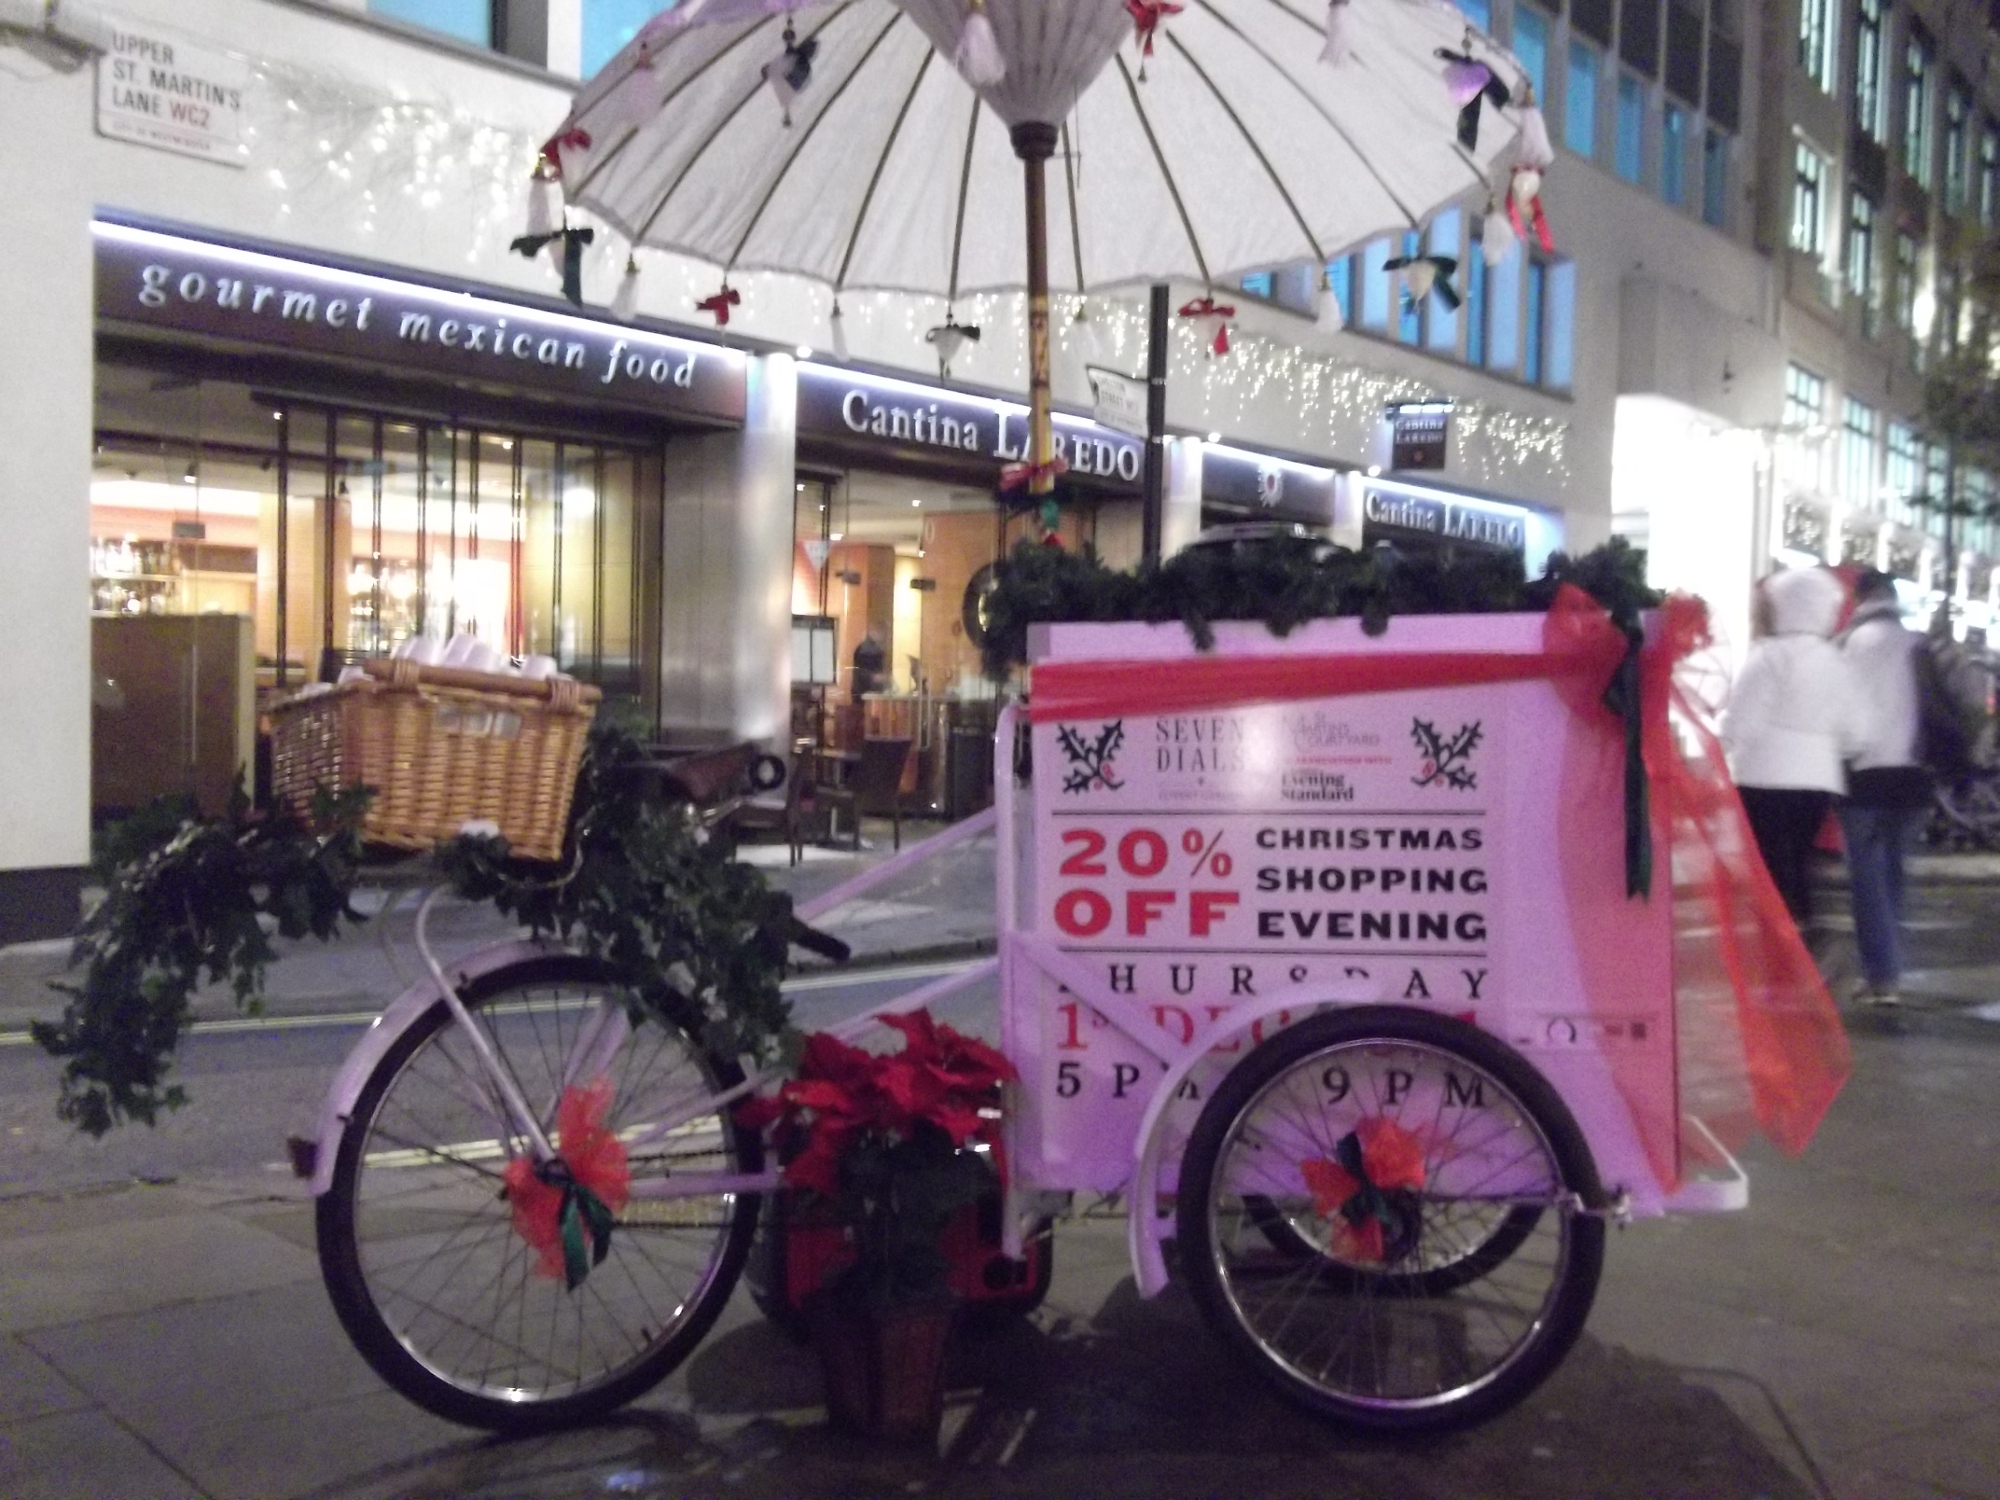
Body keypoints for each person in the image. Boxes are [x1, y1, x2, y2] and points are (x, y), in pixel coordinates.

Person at [1722, 567, 1859, 933]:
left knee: (1770, 863)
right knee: (1798, 858)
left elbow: (1744, 718)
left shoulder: (1769, 656)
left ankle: (1782, 936)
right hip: (1819, 779)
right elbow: (1853, 729)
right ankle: (1801, 927)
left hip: (1764, 775)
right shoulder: (1836, 661)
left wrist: (1722, 747)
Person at [1837, 571, 1929, 1007]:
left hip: (1864, 777)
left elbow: (1839, 714)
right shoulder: (1918, 644)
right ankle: (1888, 969)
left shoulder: (1847, 645)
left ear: (1858, 598)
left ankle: (1882, 975)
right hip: (1915, 777)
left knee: (1867, 879)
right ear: (1892, 598)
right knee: (1893, 874)